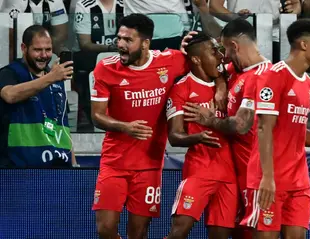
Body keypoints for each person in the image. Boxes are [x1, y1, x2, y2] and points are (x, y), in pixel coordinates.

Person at [90, 14, 227, 239]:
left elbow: (214, 66)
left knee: (139, 232)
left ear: (145, 43)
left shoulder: (171, 61)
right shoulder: (105, 69)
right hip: (114, 162)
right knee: (105, 229)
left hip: (150, 164)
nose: (121, 45)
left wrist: (220, 87)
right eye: (119, 38)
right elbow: (96, 116)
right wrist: (125, 127)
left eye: (128, 40)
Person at [241, 18, 310, 239]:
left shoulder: (308, 82)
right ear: (304, 44)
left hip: (299, 182)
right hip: (269, 179)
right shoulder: (274, 75)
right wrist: (268, 178)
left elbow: (295, 130)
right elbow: (264, 128)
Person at [182, 18, 271, 239]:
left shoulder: (264, 76)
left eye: (226, 50)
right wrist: (221, 86)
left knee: (254, 234)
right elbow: (217, 70)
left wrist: (209, 120)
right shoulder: (238, 70)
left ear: (234, 46)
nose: (224, 57)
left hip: (255, 174)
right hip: (235, 173)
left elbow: (241, 125)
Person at [165, 32, 237, 239]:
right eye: (213, 52)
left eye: (219, 50)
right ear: (196, 59)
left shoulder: (227, 80)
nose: (220, 56)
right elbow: (175, 136)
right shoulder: (181, 89)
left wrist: (222, 86)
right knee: (178, 233)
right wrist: (198, 137)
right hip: (199, 171)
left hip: (229, 175)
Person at [0, 25, 76, 168]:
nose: (44, 55)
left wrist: (74, 165)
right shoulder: (10, 73)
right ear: (24, 48)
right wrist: (51, 78)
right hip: (19, 170)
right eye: (37, 50)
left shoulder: (56, 79)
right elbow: (9, 95)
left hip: (58, 167)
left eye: (48, 50)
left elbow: (63, 126)